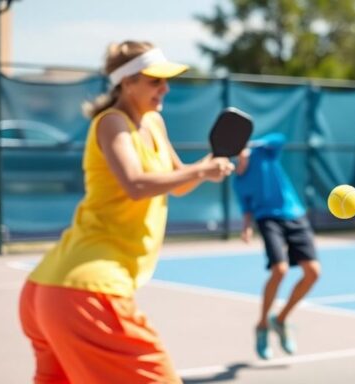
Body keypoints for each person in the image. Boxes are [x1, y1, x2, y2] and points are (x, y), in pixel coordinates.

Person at [18, 41, 234, 383]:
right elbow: (135, 184)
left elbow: (176, 182)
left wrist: (211, 162)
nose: (165, 88)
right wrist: (199, 172)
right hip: (86, 293)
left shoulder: (154, 124)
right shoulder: (111, 124)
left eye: (166, 80)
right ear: (126, 82)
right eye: (154, 80)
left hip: (53, 290)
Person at [232, 132, 320, 360]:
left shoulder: (263, 153)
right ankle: (262, 326)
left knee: (313, 273)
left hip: (295, 215)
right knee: (279, 270)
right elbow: (246, 206)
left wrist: (250, 144)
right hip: (267, 219)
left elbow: (280, 138)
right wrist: (247, 226)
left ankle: (280, 321)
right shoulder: (238, 179)